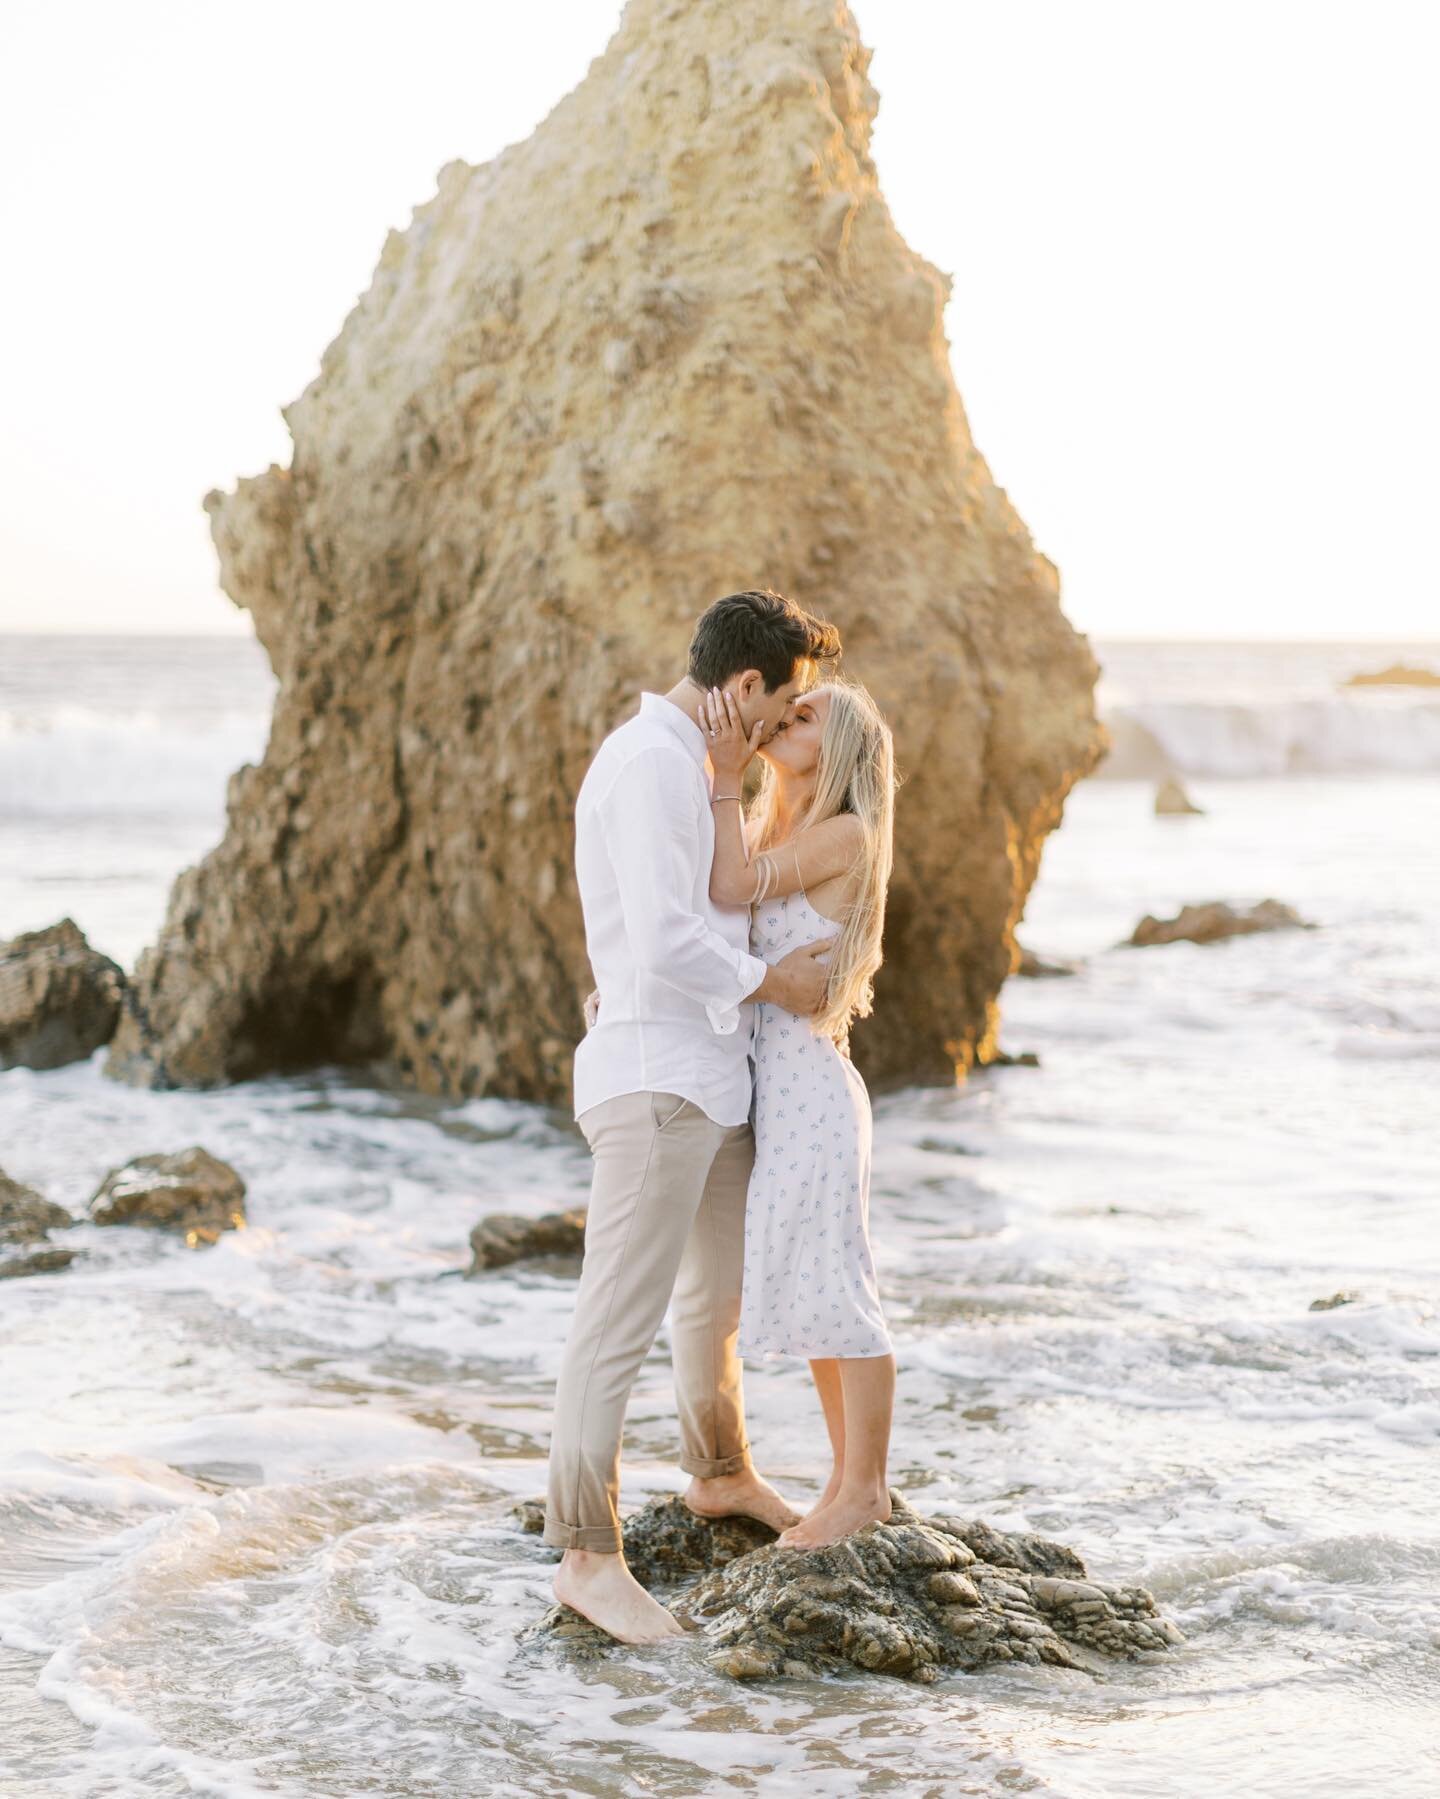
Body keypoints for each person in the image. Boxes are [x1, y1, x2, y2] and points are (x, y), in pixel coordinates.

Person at [544, 588, 841, 1645]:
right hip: (655, 1075)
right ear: (745, 683)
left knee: (710, 1299)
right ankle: (586, 1552)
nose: (781, 727)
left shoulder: (699, 766)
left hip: (711, 1076)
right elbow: (667, 938)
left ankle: (720, 1472)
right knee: (615, 1317)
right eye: (784, 702)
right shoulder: (648, 763)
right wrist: (779, 981)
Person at [696, 672, 898, 1549]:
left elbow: (732, 886)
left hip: (812, 1089)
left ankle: (867, 1490)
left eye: (805, 713)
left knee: (843, 1289)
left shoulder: (845, 833)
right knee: (816, 1289)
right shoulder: (774, 824)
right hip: (772, 1096)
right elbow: (706, 903)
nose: (786, 714)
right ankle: (843, 1482)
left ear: (841, 745)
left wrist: (720, 767)